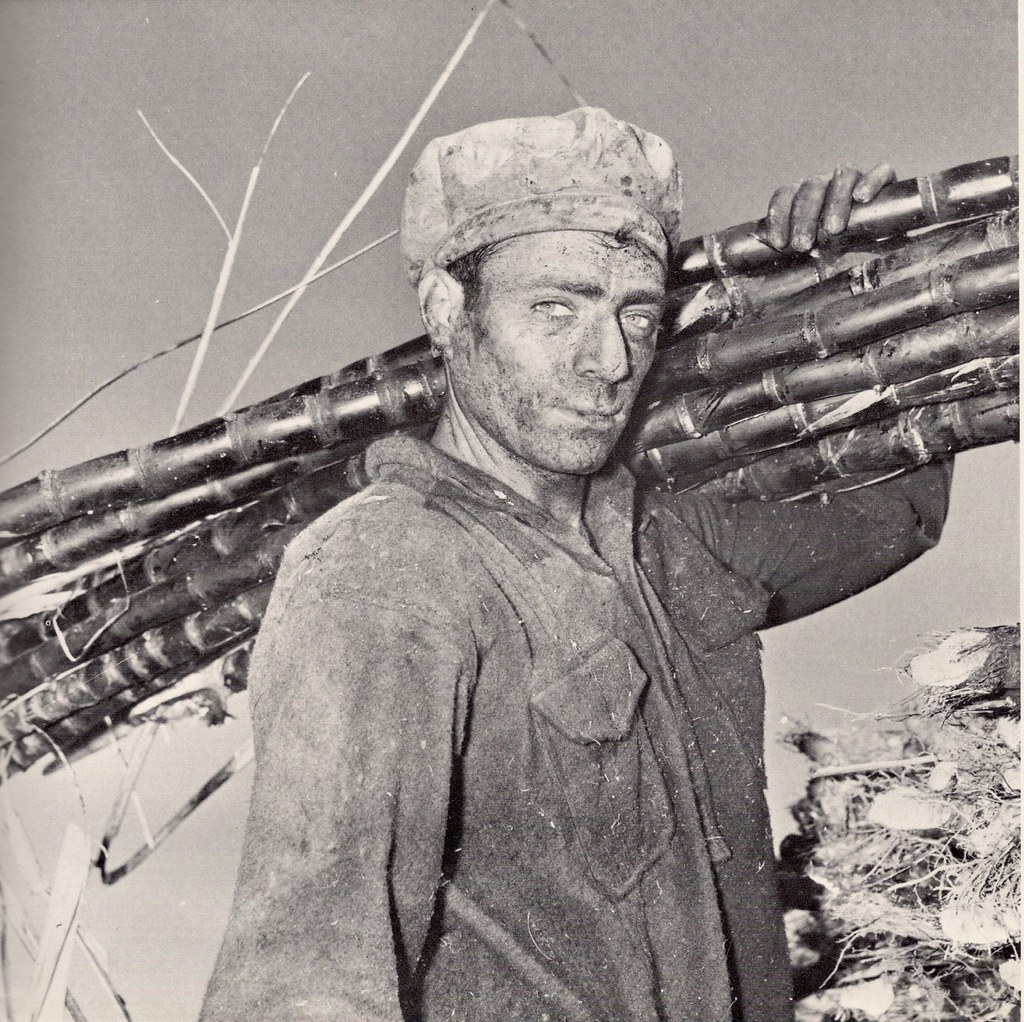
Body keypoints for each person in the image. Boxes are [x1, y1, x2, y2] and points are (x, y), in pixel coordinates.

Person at [200, 108, 950, 1022]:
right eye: (554, 309)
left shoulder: (662, 543)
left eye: (637, 314)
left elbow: (892, 518)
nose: (609, 360)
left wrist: (865, 287)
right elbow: (305, 972)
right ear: (447, 311)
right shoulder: (386, 570)